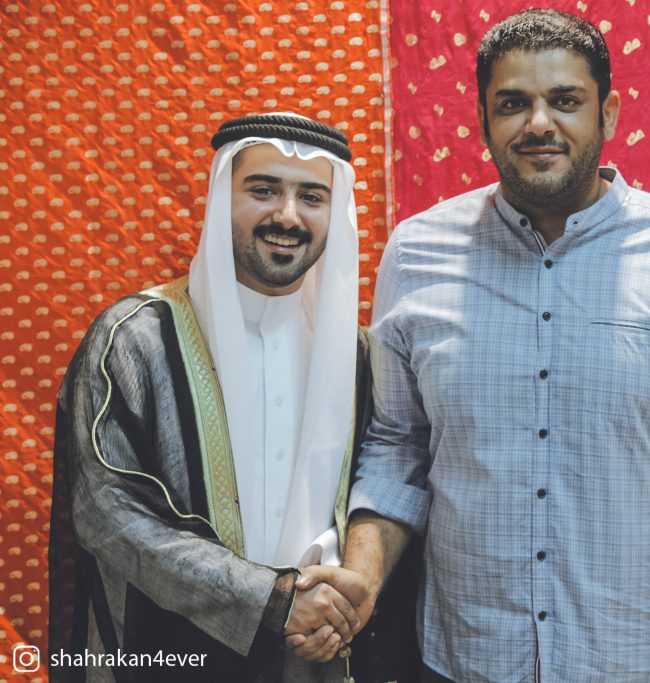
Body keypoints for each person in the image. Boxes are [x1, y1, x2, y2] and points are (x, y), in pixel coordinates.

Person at [339, 9, 650, 681]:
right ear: (483, 119)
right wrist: (360, 579)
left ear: (609, 114)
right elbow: (399, 443)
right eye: (513, 103)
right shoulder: (417, 253)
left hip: (640, 661)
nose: (539, 123)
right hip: (466, 656)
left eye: (566, 100)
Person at [48, 113, 417, 682]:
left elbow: (389, 479)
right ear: (223, 197)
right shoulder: (134, 339)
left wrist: (337, 600)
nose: (287, 216)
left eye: (311, 197)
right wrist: (270, 600)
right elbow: (106, 510)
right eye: (263, 190)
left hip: (317, 657)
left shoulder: (359, 357)